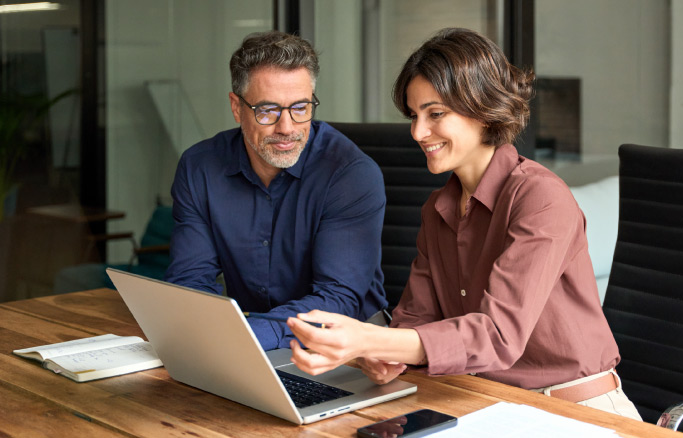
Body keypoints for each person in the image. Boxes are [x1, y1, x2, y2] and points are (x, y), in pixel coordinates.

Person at [285, 28, 642, 420]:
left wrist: (374, 338)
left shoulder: (540, 198)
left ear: (483, 108)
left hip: (578, 411)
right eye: (415, 115)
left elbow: (498, 335)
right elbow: (415, 317)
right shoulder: (438, 209)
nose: (418, 132)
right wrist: (386, 355)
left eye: (435, 114)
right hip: (489, 404)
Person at [164, 31, 388, 351]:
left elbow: (337, 299)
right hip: (249, 343)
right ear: (237, 107)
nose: (287, 128)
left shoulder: (349, 173)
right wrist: (216, 338)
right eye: (267, 110)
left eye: (300, 108)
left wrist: (243, 337)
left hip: (347, 350)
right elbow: (190, 281)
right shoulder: (200, 167)